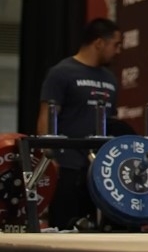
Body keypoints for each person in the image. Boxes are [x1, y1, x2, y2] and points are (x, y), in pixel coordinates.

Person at [37, 17, 122, 230]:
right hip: (67, 166)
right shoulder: (62, 72)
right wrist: (49, 158)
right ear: (99, 43)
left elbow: (111, 122)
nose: (118, 51)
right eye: (116, 44)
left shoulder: (110, 79)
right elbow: (46, 115)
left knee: (94, 228)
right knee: (64, 227)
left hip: (98, 169)